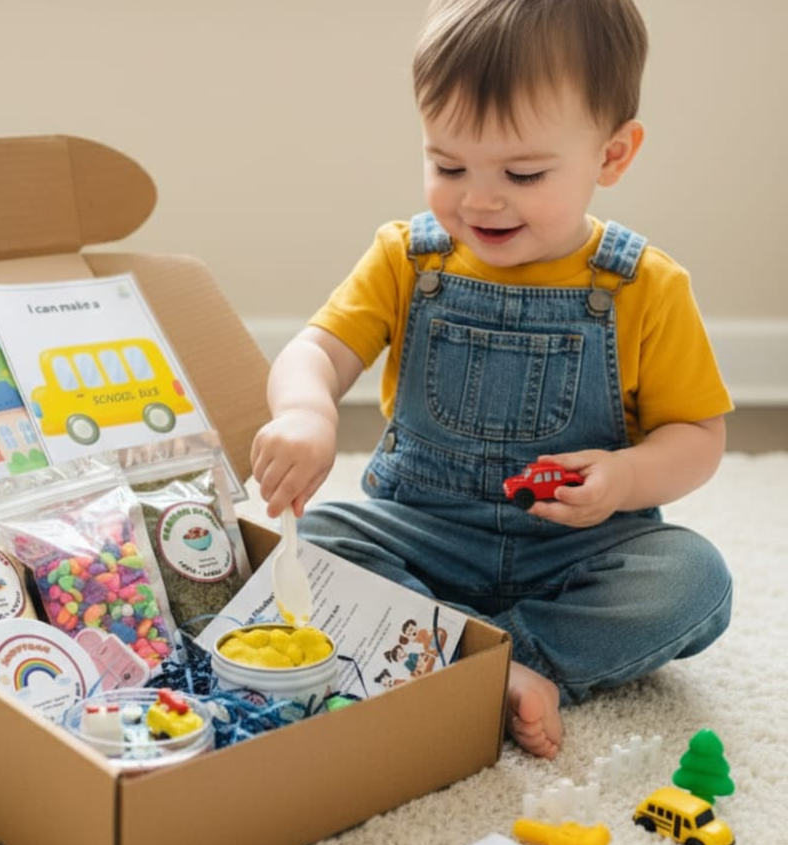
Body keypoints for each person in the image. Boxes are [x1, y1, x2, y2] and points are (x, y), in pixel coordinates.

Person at [250, 0, 733, 759]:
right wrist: (308, 413)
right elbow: (319, 349)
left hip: (576, 549)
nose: (478, 197)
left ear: (612, 156)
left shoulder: (644, 285)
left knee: (694, 580)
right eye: (448, 165)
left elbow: (699, 437)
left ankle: (499, 657)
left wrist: (626, 476)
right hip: (426, 532)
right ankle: (479, 659)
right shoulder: (411, 258)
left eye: (523, 172)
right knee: (306, 544)